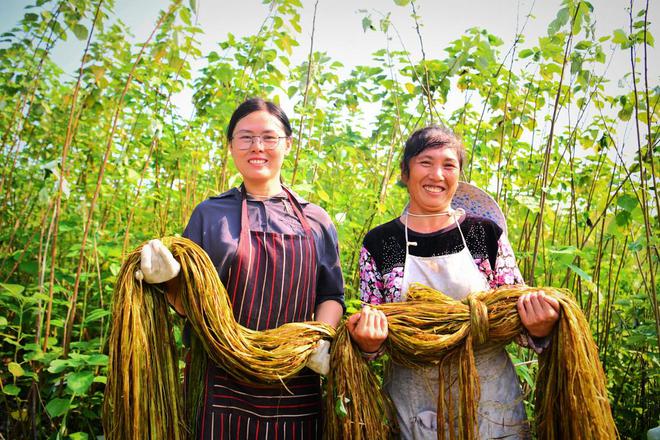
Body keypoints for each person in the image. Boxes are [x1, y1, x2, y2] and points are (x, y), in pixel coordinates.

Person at [137, 98, 345, 439]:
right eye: (245, 137)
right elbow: (188, 302)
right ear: (231, 146)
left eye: (269, 137)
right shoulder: (210, 214)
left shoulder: (315, 219)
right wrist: (170, 280)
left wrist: (317, 340)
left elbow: (331, 294)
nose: (257, 147)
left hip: (294, 379)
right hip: (220, 379)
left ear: (288, 144)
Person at [346, 125, 560, 439]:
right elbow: (372, 338)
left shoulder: (483, 234)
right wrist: (368, 342)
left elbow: (518, 318)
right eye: (425, 162)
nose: (437, 174)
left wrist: (540, 326)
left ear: (458, 175)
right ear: (405, 173)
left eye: (449, 165)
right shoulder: (381, 242)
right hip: (414, 401)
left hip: (490, 398)